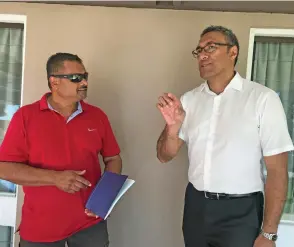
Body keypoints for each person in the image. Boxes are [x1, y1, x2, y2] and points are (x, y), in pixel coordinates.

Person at [156, 25, 294, 247]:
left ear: (233, 52)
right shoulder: (189, 101)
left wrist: (269, 233)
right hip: (196, 207)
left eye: (211, 47)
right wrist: (172, 127)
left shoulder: (262, 99)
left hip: (241, 212)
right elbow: (164, 155)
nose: (202, 55)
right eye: (199, 50)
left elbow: (277, 171)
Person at [0, 53, 122, 247]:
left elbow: (113, 158)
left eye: (85, 77)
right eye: (76, 78)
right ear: (54, 82)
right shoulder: (25, 117)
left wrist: (106, 196)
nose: (83, 82)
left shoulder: (97, 116)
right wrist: (55, 178)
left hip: (90, 225)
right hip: (41, 228)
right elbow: (4, 168)